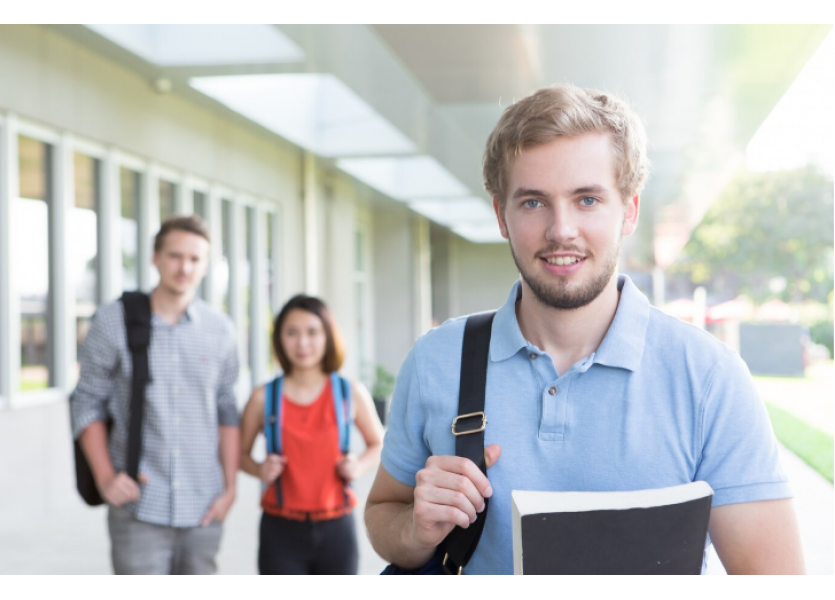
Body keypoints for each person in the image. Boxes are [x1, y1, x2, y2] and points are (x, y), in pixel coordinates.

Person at [364, 84, 805, 575]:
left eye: (587, 199)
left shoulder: (708, 378)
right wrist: (414, 530)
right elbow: (383, 513)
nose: (561, 230)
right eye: (533, 202)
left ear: (629, 211)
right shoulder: (437, 360)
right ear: (501, 216)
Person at [70, 215, 240, 575]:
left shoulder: (221, 330)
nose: (185, 267)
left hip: (204, 506)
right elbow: (87, 401)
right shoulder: (112, 321)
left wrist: (230, 488)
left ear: (206, 265)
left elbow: (227, 410)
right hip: (139, 506)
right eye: (175, 256)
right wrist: (104, 478)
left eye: (195, 259)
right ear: (156, 258)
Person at [240, 294, 384, 575]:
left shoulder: (349, 393)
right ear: (279, 339)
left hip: (337, 529)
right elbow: (239, 455)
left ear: (327, 336)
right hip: (279, 530)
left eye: (312, 332)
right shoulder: (263, 397)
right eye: (291, 333)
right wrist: (260, 469)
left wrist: (358, 465)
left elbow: (379, 444)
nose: (302, 343)